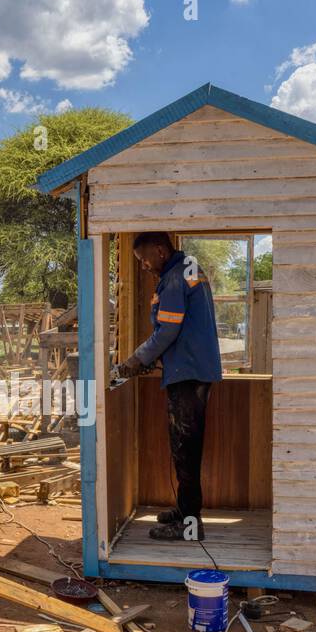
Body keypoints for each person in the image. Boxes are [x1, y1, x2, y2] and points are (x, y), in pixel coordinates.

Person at [113, 232, 223, 541]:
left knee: (184, 448)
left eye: (145, 259)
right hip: (196, 368)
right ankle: (185, 509)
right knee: (187, 445)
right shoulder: (189, 266)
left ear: (161, 251)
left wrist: (136, 359)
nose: (144, 266)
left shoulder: (175, 277)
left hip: (187, 372)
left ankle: (190, 524)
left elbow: (167, 330)